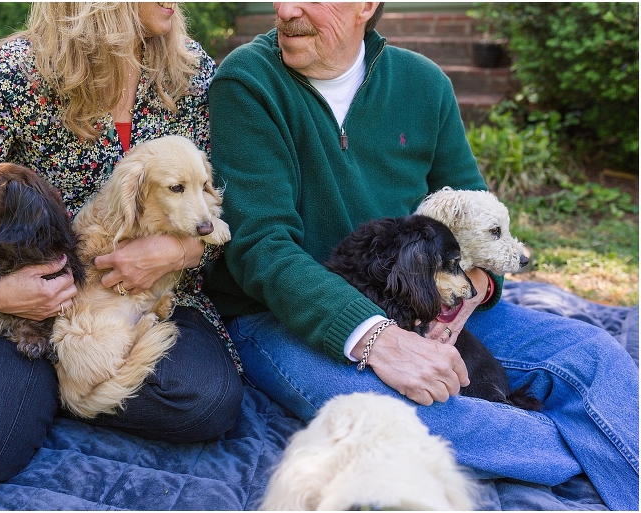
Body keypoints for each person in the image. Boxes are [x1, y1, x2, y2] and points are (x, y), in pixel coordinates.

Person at [203, 2, 638, 510]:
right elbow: (261, 248)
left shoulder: (423, 83)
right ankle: (593, 450)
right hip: (282, 316)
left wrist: (468, 294)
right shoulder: (248, 82)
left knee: (595, 354)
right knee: (409, 416)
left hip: (420, 299)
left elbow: (476, 220)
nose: (285, 9)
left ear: (366, 6)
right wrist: (376, 336)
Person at [0, 2, 243, 495]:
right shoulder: (15, 75)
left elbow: (224, 203)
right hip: (27, 302)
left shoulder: (190, 73)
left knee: (207, 402)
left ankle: (43, 390)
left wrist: (182, 254)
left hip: (145, 296)